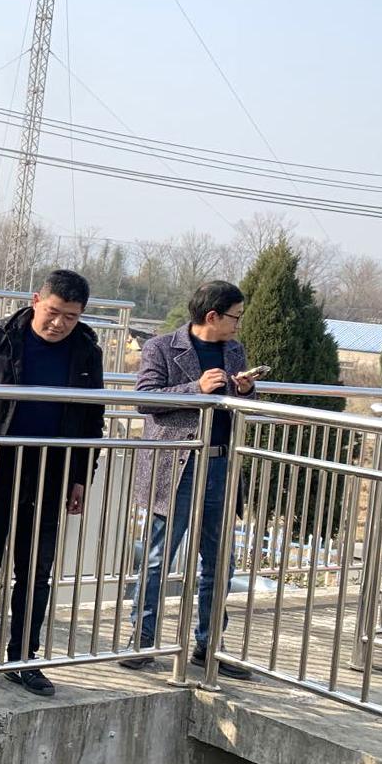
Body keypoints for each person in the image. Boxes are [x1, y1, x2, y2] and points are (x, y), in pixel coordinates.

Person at [0, 269, 106, 698]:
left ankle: (23, 659)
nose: (59, 323)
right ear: (36, 300)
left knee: (35, 573)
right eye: (53, 312)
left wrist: (81, 476)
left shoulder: (86, 352)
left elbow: (92, 419)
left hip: (51, 475)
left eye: (70, 316)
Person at [121, 281, 256, 678]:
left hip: (220, 464)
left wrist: (246, 392)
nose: (238, 324)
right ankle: (142, 639)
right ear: (212, 316)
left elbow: (238, 408)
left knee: (220, 561)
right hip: (176, 466)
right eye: (234, 317)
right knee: (158, 557)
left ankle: (209, 644)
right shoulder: (161, 347)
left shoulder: (234, 351)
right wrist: (196, 389)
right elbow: (146, 399)